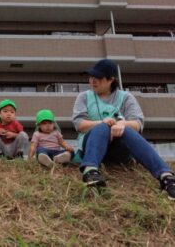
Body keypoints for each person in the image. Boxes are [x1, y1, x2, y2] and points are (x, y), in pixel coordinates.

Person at [72, 58, 175, 200]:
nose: (92, 81)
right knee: (103, 127)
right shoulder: (84, 97)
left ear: (111, 79)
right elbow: (79, 124)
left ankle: (166, 177)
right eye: (91, 77)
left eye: (98, 78)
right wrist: (103, 122)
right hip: (92, 146)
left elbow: (137, 124)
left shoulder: (126, 97)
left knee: (125, 128)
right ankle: (90, 170)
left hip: (118, 150)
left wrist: (122, 124)